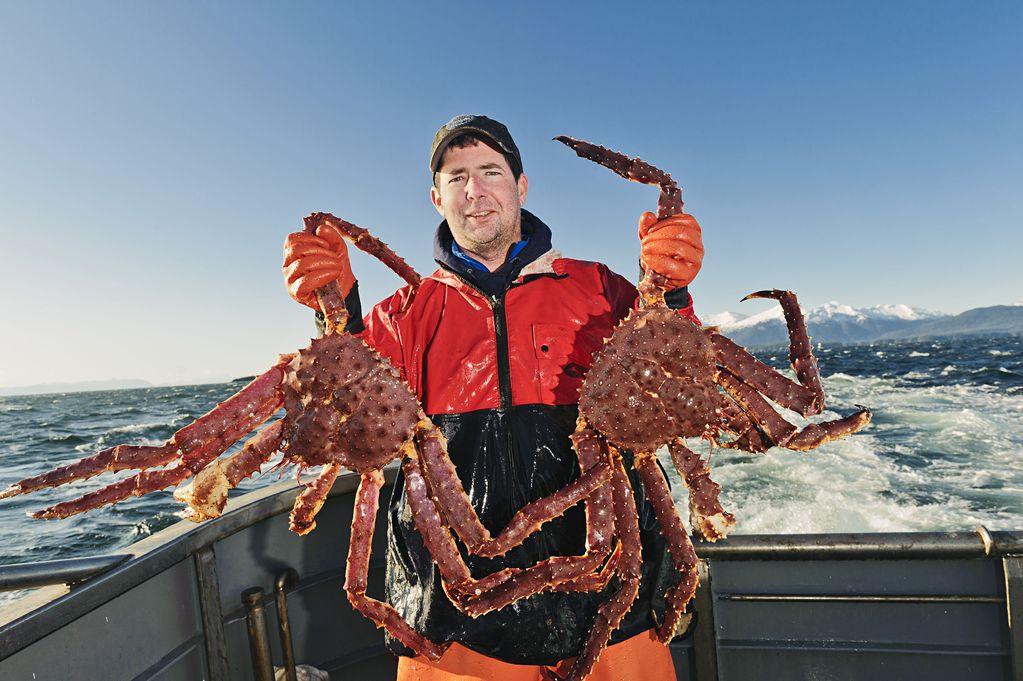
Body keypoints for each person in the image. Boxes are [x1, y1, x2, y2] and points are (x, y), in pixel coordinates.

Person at [282, 115, 704, 681]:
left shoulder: (601, 290)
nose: (475, 191)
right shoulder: (400, 316)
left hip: (611, 601)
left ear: (521, 186)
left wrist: (673, 293)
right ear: (437, 198)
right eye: (457, 178)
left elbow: (675, 377)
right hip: (454, 623)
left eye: (490, 172)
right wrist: (335, 307)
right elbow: (345, 406)